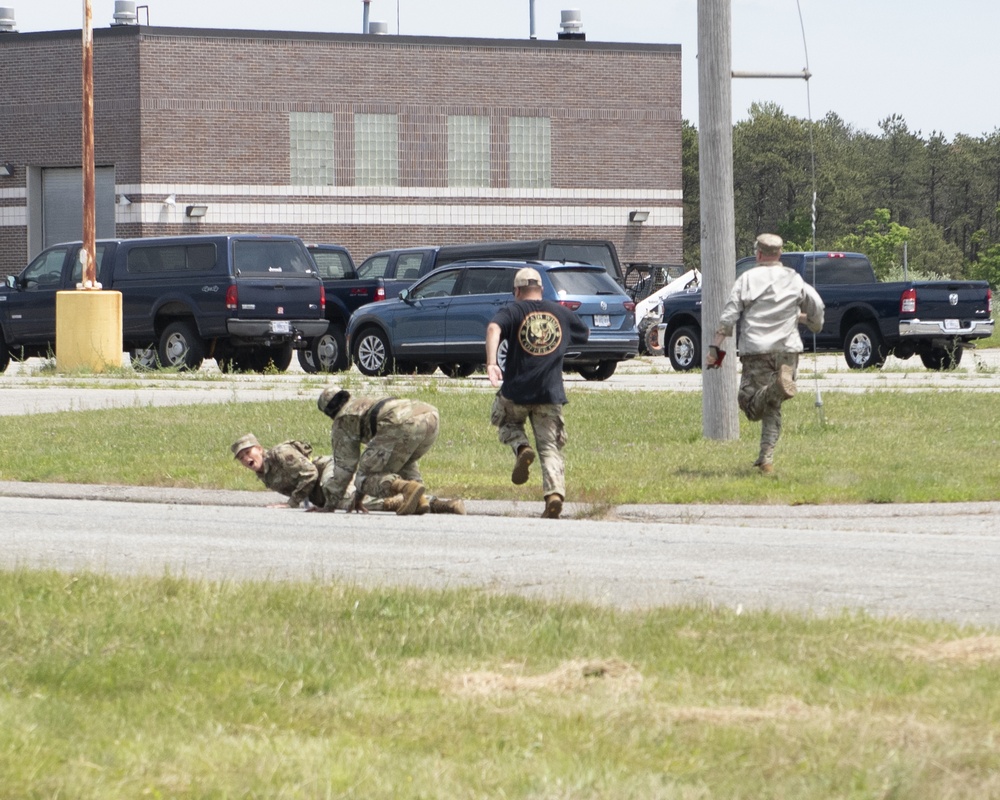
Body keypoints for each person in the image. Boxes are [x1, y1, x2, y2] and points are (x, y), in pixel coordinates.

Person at [706, 233, 825, 474]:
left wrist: (715, 349)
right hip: (788, 351)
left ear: (758, 253)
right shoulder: (794, 278)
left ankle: (774, 388)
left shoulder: (747, 278)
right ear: (779, 254)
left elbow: (729, 316)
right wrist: (812, 324)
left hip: (757, 350)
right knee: (773, 404)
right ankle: (766, 459)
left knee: (749, 404)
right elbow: (816, 306)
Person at [484, 266, 590, 519]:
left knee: (504, 420)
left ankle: (521, 448)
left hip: (516, 390)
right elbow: (584, 334)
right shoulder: (560, 313)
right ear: (541, 290)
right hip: (549, 393)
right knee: (550, 447)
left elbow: (492, 329)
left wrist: (491, 363)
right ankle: (554, 495)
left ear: (517, 291)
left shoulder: (513, 310)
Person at [231, 433, 464, 514]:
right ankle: (441, 504)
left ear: (260, 449)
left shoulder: (281, 454)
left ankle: (398, 500)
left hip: (328, 470)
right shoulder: (264, 474)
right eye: (241, 458)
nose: (246, 459)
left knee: (347, 500)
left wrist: (292, 503)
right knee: (351, 501)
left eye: (248, 452)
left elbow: (310, 473)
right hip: (319, 489)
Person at [316, 388, 463, 515]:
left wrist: (329, 505)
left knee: (363, 478)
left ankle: (407, 488)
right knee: (404, 463)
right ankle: (431, 502)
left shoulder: (343, 420)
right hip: (430, 416)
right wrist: (358, 499)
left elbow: (345, 468)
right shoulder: (363, 402)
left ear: (327, 411)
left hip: (400, 422)